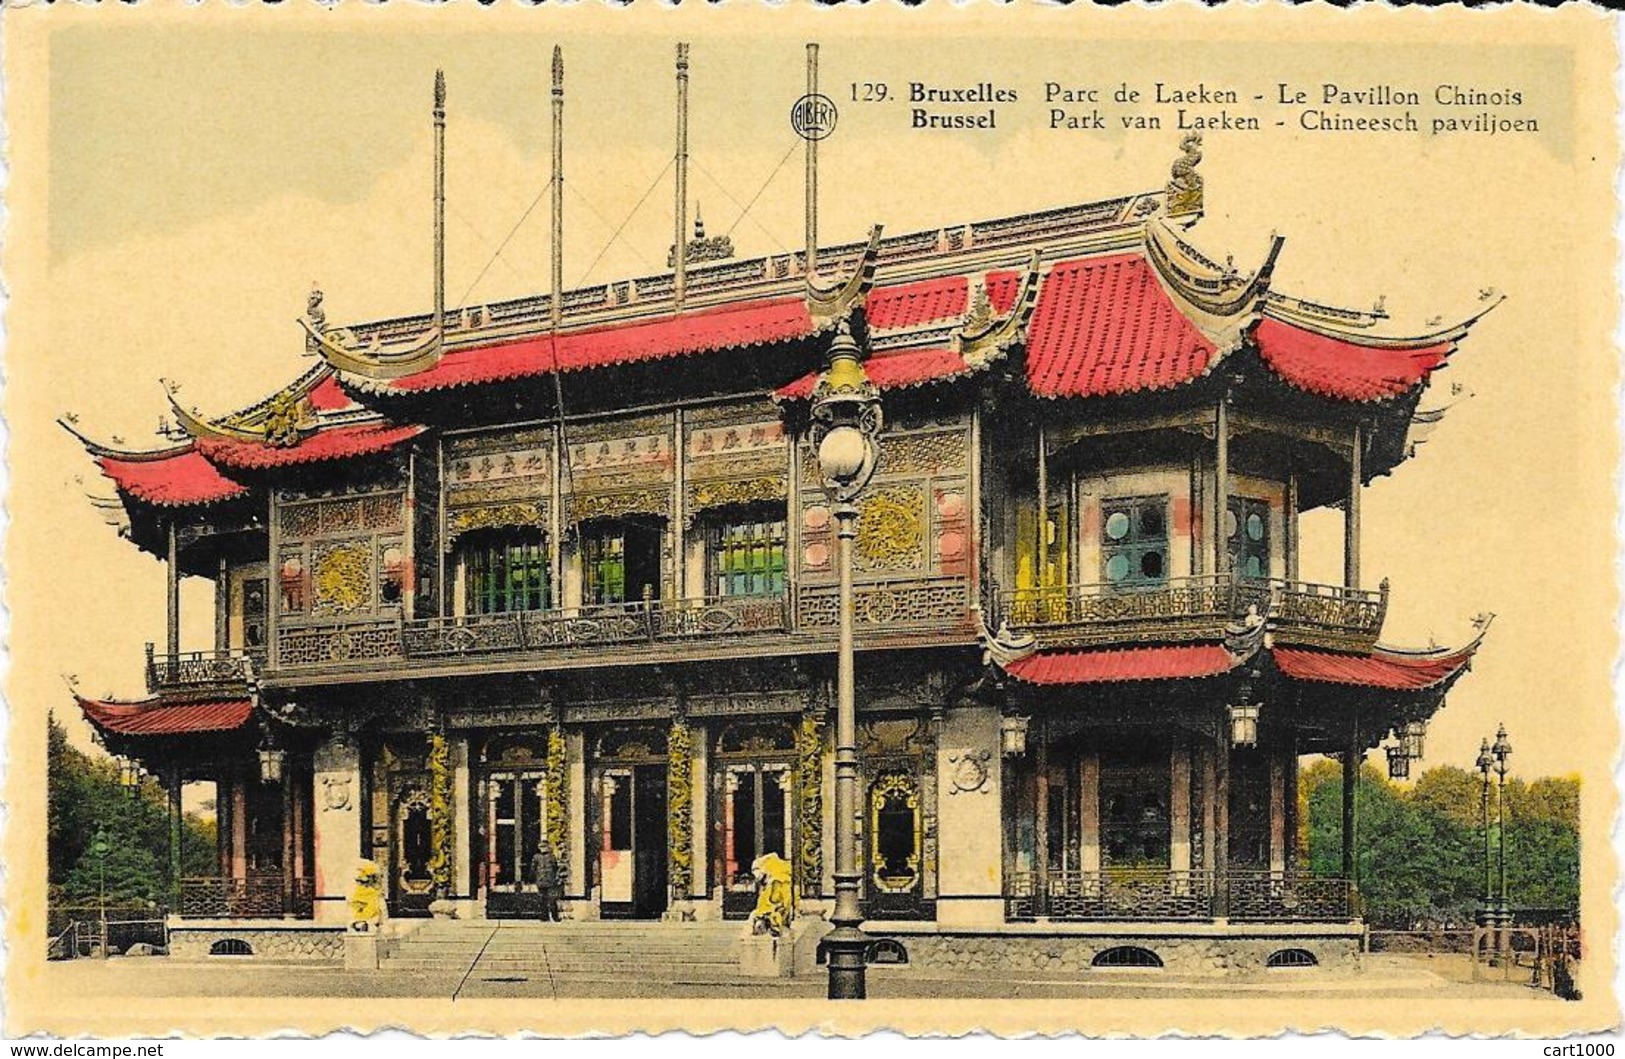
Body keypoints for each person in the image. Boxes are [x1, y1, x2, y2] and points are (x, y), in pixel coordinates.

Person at [531, 844, 563, 922]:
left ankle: (555, 917)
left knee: (552, 900)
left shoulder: (552, 856)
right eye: (541, 847)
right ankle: (544, 917)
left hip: (550, 881)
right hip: (541, 881)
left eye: (544, 847)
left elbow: (555, 867)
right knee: (542, 900)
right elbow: (533, 868)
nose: (543, 849)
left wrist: (555, 877)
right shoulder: (536, 857)